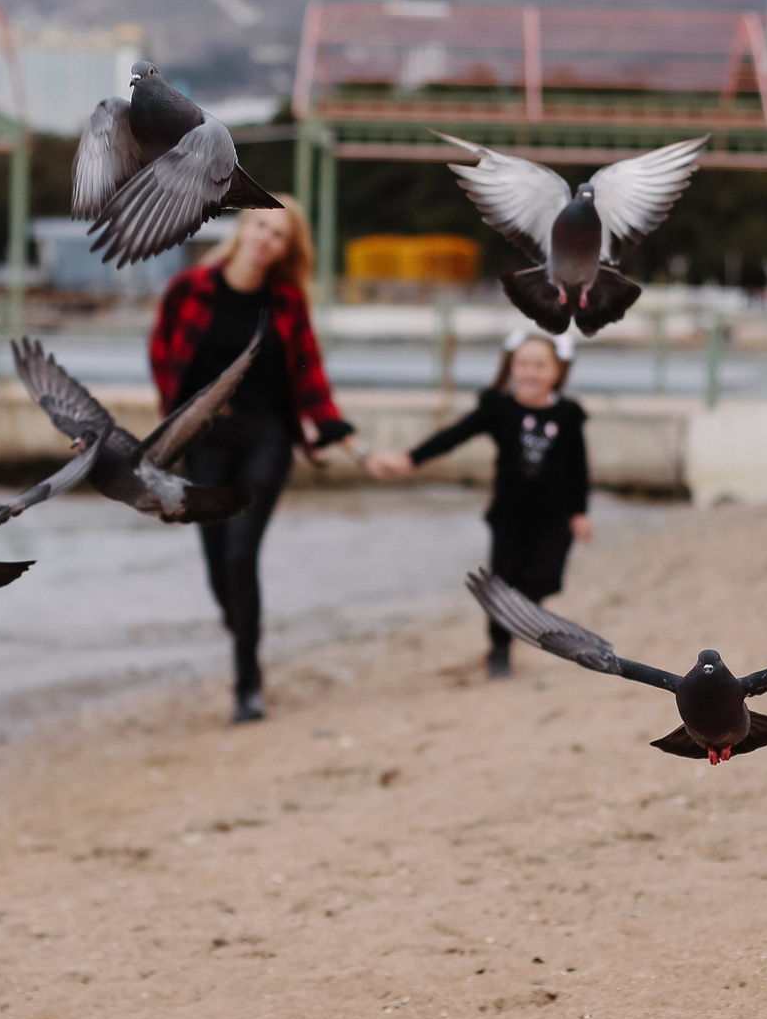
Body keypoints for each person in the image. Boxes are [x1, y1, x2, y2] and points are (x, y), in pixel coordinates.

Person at [149, 198, 367, 723]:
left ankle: (248, 684)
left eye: (279, 234)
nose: (266, 238)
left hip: (267, 438)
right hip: (206, 441)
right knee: (216, 562)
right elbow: (161, 355)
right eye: (262, 225)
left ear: (286, 250)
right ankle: (244, 631)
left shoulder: (287, 302)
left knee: (241, 554)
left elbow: (312, 379)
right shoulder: (190, 288)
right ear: (244, 227)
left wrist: (354, 446)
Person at [367, 328, 591, 679]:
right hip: (509, 517)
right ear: (511, 367)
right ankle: (499, 649)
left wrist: (581, 512)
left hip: (555, 518)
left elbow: (578, 466)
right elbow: (454, 436)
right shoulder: (499, 409)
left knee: (545, 579)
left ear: (557, 372)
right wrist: (410, 459)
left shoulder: (569, 414)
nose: (530, 372)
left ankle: (525, 614)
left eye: (539, 365)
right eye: (523, 364)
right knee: (502, 585)